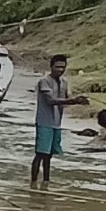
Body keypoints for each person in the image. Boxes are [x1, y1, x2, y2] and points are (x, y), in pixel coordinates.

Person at [31, 54, 89, 185]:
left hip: (56, 123)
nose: (60, 70)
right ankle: (33, 182)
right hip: (44, 122)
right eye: (57, 67)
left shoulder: (64, 82)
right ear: (51, 67)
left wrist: (79, 99)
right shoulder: (44, 81)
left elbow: (68, 97)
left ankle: (46, 181)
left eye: (63, 67)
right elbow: (50, 100)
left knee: (49, 155)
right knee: (40, 154)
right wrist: (74, 100)